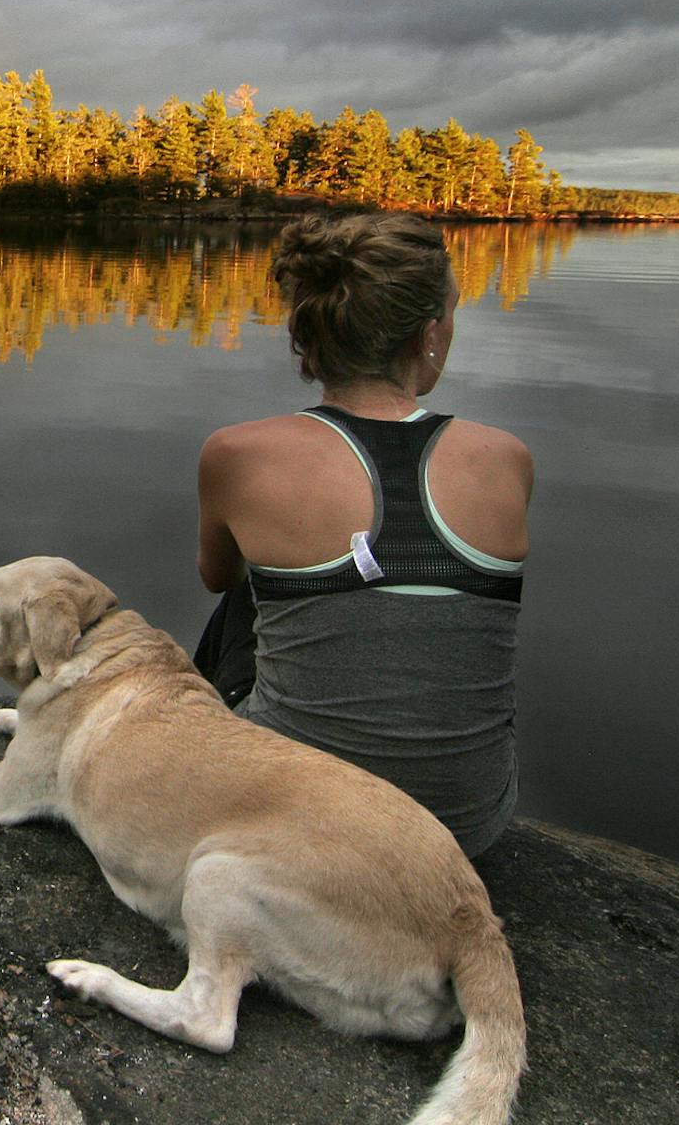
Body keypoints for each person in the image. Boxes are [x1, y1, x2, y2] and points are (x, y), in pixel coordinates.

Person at [192, 212, 532, 857]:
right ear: (429, 333)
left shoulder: (237, 452)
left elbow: (216, 577)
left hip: (292, 820)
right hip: (465, 827)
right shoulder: (505, 455)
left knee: (247, 592)